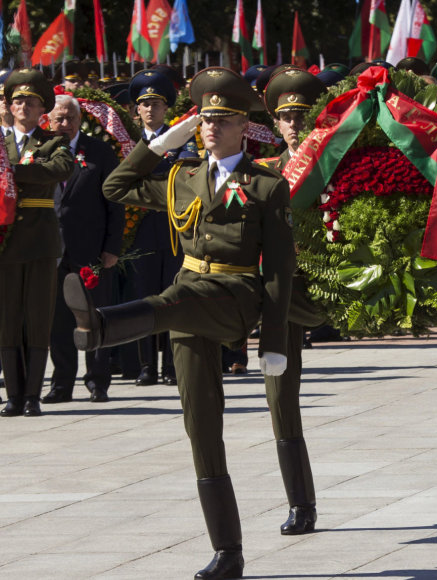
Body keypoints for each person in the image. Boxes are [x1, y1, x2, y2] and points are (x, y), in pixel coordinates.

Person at [64, 67, 294, 579]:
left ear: (243, 127)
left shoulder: (264, 185)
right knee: (201, 423)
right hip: (188, 293)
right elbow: (116, 185)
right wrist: (162, 142)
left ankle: (101, 326)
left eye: (222, 120)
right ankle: (228, 551)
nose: (210, 127)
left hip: (234, 294)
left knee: (169, 303)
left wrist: (273, 340)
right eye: (204, 119)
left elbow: (280, 268)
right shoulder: (181, 176)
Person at [259, 66, 327, 535]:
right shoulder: (262, 170)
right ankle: (300, 504)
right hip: (278, 292)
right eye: (285, 116)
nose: (294, 123)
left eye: (302, 114)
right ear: (275, 123)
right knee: (280, 396)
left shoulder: (335, 161)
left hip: (324, 286)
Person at [0, 69, 74, 417]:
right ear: (9, 106)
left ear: (41, 108)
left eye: (30, 101)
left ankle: (33, 395)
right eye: (17, 100)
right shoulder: (1, 143)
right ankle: (13, 395)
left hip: (41, 240)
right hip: (5, 241)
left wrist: (10, 170)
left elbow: (59, 169)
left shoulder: (53, 142)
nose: (23, 105)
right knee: (8, 318)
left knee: (38, 316)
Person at [42, 94, 122, 404]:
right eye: (57, 119)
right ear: (48, 121)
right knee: (58, 320)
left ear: (79, 120)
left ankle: (97, 381)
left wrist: (112, 247)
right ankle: (61, 383)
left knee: (95, 316)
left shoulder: (99, 152)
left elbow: (114, 203)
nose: (63, 124)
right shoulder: (40, 152)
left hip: (91, 251)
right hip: (51, 250)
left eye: (69, 118)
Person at [125, 68, 191, 387]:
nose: (150, 110)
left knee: (171, 296)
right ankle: (146, 365)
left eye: (157, 104)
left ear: (167, 109)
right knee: (144, 297)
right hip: (139, 231)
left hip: (174, 230)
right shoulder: (126, 145)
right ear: (137, 110)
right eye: (145, 104)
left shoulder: (181, 143)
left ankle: (171, 366)